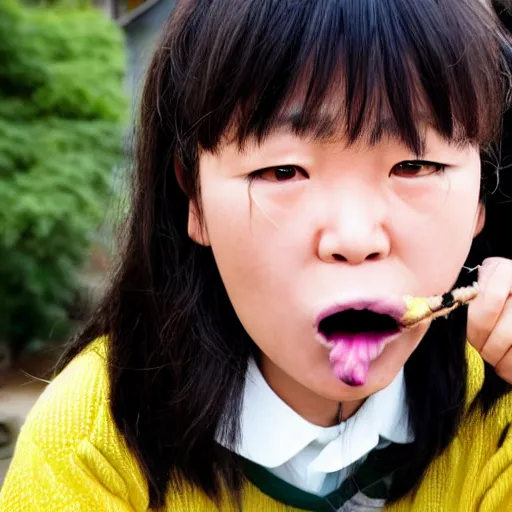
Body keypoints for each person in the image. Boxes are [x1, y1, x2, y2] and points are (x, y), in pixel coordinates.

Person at [2, 0, 512, 510]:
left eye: (414, 165)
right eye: (283, 172)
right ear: (194, 199)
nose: (355, 239)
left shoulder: (499, 417)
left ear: (480, 199)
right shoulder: (89, 449)